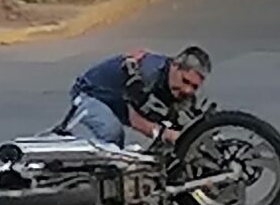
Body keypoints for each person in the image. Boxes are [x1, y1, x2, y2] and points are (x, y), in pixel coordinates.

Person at [63, 45, 211, 147]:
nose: (187, 90)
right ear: (175, 66)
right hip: (90, 93)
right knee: (112, 133)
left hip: (121, 100)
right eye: (185, 81)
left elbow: (183, 120)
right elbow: (137, 120)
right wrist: (168, 135)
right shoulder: (147, 73)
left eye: (194, 86)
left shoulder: (179, 87)